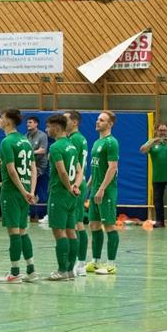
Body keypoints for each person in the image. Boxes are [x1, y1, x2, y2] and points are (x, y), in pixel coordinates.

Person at [0, 108, 38, 283]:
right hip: (26, 189)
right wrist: (31, 191)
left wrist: (22, 191)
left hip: (12, 191)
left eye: (1, 118)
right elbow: (33, 168)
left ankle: (14, 272)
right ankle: (31, 270)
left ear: (8, 121)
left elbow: (12, 171)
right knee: (23, 231)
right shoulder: (26, 141)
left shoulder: (7, 142)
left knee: (14, 231)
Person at [44, 114, 80, 280]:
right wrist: (75, 187)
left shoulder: (56, 147)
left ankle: (61, 270)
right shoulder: (72, 146)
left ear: (56, 128)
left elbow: (62, 171)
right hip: (72, 195)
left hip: (59, 193)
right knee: (71, 231)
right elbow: (79, 171)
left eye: (48, 126)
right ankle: (71, 270)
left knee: (59, 233)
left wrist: (67, 187)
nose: (46, 130)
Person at [86, 111, 121, 275]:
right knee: (93, 224)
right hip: (95, 191)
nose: (97, 122)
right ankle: (95, 261)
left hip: (106, 191)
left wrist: (101, 189)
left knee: (109, 225)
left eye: (101, 120)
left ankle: (111, 264)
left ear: (110, 124)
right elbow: (96, 168)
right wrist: (88, 187)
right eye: (98, 119)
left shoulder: (111, 142)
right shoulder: (96, 143)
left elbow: (112, 167)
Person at [64, 109, 91, 276]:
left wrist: (74, 184)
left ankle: (79, 264)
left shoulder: (74, 139)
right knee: (77, 223)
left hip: (75, 184)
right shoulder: (79, 138)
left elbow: (73, 164)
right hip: (78, 183)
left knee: (77, 224)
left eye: (65, 119)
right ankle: (79, 263)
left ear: (74, 122)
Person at [25, 115, 50, 220]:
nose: (28, 124)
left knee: (41, 194)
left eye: (30, 122)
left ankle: (42, 215)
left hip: (41, 167)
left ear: (36, 124)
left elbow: (42, 151)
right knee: (30, 191)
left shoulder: (42, 136)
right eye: (27, 122)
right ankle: (30, 215)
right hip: (29, 167)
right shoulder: (25, 136)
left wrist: (30, 152)